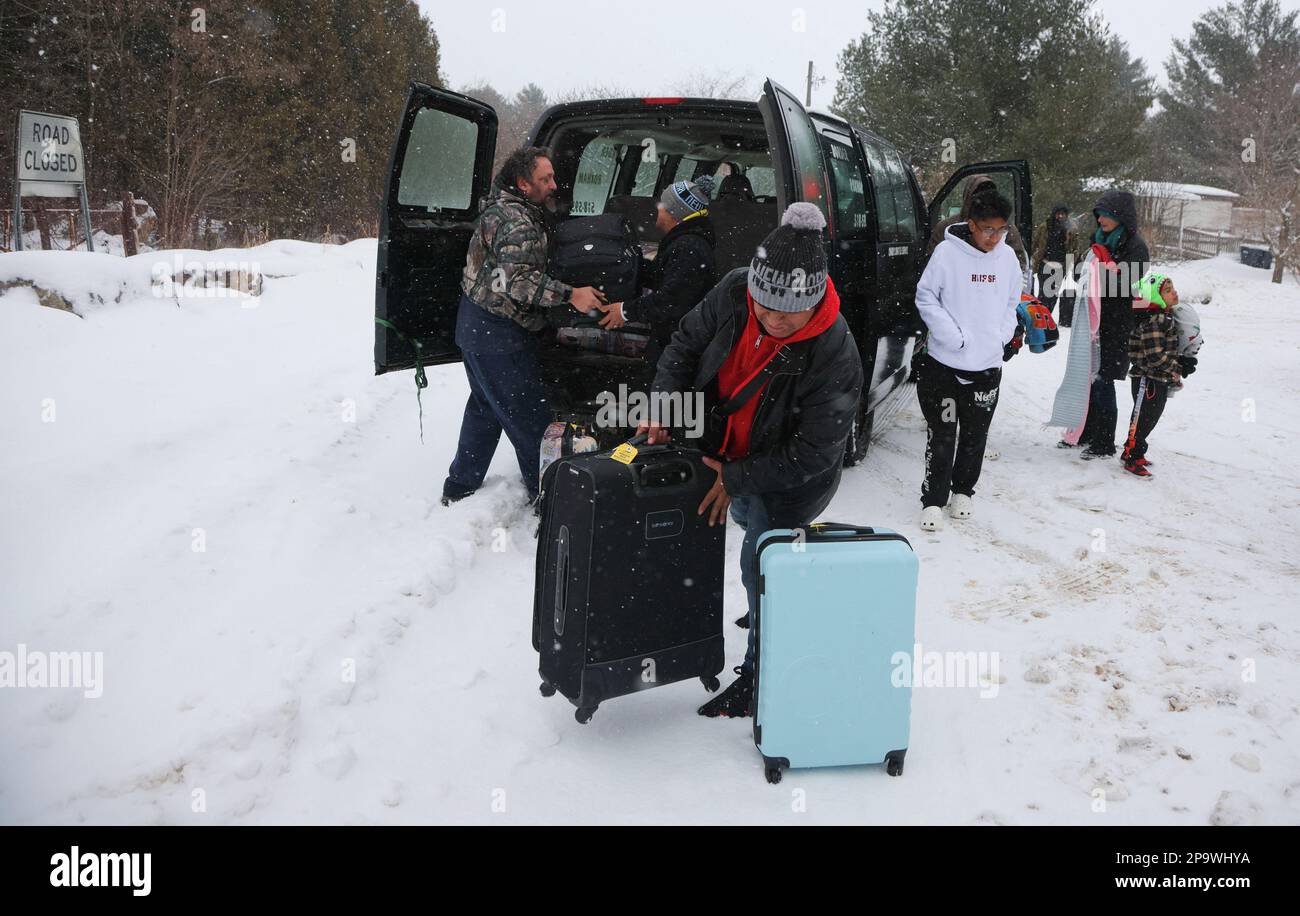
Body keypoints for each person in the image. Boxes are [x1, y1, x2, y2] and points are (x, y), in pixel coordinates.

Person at [639, 202, 863, 718]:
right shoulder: (736, 290)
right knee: (741, 523)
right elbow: (684, 346)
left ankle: (762, 669)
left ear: (814, 300)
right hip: (728, 452)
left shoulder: (835, 351)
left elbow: (815, 450)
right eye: (764, 306)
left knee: (762, 562)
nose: (772, 318)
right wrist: (664, 405)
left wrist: (736, 477)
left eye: (788, 311)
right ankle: (763, 599)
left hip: (788, 477)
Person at [442, 147, 605, 505]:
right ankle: (551, 498)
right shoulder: (517, 222)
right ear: (523, 183)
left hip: (475, 325)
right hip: (498, 334)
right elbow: (515, 281)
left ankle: (460, 484)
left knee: (485, 407)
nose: (553, 185)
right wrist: (570, 295)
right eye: (545, 179)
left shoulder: (500, 208)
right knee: (532, 421)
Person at [913, 190, 1021, 532]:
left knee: (976, 434)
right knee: (943, 433)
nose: (994, 238)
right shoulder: (947, 254)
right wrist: (952, 336)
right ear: (971, 224)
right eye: (987, 229)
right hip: (944, 368)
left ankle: (963, 491)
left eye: (1000, 230)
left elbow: (1011, 302)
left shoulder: (1007, 259)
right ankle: (933, 498)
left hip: (986, 369)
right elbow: (926, 296)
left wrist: (1001, 336)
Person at [599, 176, 717, 363]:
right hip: (673, 340)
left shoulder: (690, 248)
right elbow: (661, 276)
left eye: (662, 205)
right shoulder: (684, 242)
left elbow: (671, 301)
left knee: (662, 390)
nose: (657, 209)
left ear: (674, 213)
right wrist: (627, 264)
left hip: (678, 347)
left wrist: (625, 311)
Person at [1071, 190, 1150, 460]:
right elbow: (1077, 271)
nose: (1101, 219)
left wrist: (1100, 273)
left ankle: (1104, 442)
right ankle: (1087, 432)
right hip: (1093, 319)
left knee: (1105, 379)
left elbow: (1125, 283)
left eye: (1107, 215)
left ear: (1121, 217)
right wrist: (1090, 268)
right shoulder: (1097, 240)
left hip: (1116, 323)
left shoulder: (1135, 246)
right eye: (1099, 214)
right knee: (1090, 378)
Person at [1121, 272, 1192, 478]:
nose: (1174, 293)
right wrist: (1177, 369)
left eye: (1173, 288)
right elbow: (1155, 357)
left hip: (1157, 378)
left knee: (1150, 417)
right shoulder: (1154, 320)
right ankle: (1132, 457)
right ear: (1155, 298)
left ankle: (1134, 450)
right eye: (1168, 291)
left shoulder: (1164, 317)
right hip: (1147, 379)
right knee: (1143, 418)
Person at [927, 173, 1028, 270]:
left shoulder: (1007, 227)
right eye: (988, 229)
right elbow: (931, 266)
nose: (994, 238)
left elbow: (1019, 265)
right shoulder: (947, 227)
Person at [1031, 203, 1081, 320]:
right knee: (1043, 294)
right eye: (1058, 214)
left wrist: (1071, 261)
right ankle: (1040, 319)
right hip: (1045, 263)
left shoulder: (1071, 229)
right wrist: (1034, 258)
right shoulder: (1045, 227)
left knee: (1053, 295)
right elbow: (1036, 243)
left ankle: (1047, 318)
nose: (1060, 216)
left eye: (1062, 214)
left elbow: (1075, 248)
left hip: (1060, 266)